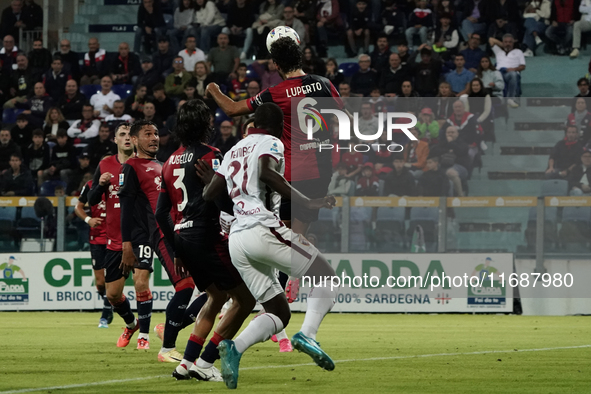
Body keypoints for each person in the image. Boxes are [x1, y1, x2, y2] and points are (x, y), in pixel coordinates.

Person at [196, 103, 338, 389]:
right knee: (326, 276)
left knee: (278, 310)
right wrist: (307, 201)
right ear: (279, 126)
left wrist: (216, 181)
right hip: (261, 228)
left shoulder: (234, 149)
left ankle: (234, 348)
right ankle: (308, 334)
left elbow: (210, 193)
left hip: (237, 239)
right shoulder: (270, 141)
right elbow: (266, 172)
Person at [154, 100, 256, 379]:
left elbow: (161, 212)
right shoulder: (211, 155)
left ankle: (185, 363)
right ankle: (206, 362)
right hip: (206, 235)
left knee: (216, 296)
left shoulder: (170, 161)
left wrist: (175, 249)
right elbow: (223, 201)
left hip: (181, 236)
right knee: (245, 300)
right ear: (205, 124)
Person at [205, 37, 343, 237]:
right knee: (299, 237)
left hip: (290, 174)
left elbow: (232, 109)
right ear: (300, 59)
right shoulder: (325, 84)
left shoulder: (275, 93)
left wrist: (213, 89)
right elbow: (344, 118)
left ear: (277, 65)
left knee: (282, 237)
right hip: (320, 173)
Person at [119, 119, 207, 362]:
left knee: (212, 289)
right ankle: (167, 349)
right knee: (186, 286)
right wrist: (127, 245)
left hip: (182, 231)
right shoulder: (131, 167)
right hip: (161, 234)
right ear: (135, 140)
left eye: (156, 133)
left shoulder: (162, 164)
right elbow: (125, 208)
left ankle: (168, 331)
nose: (154, 138)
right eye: (148, 134)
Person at [87, 124, 144, 349]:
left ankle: (145, 339)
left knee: (141, 283)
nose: (127, 138)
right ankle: (131, 324)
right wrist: (101, 185)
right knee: (112, 295)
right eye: (122, 135)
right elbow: (91, 200)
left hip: (140, 237)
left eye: (130, 135)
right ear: (115, 140)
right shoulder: (105, 165)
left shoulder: (144, 164)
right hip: (114, 241)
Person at [74, 178, 113, 328]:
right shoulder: (90, 185)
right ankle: (109, 305)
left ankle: (105, 312)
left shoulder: (121, 182)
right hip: (96, 239)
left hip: (115, 238)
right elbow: (78, 207)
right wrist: (88, 219)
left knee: (111, 278)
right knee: (100, 283)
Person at [430, 125, 471, 196]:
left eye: (452, 132)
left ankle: (461, 195)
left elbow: (461, 151)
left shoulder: (463, 143)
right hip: (443, 166)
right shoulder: (442, 143)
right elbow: (434, 151)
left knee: (451, 172)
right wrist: (447, 149)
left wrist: (451, 143)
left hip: (460, 167)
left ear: (457, 134)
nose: (450, 134)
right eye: (448, 132)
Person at [489, 34, 526, 108]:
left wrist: (514, 69)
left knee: (513, 74)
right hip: (499, 73)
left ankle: (510, 99)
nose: (508, 44)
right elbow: (491, 40)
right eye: (506, 42)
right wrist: (504, 46)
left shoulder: (518, 52)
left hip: (510, 73)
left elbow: (523, 66)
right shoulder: (498, 51)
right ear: (503, 43)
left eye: (510, 42)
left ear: (513, 43)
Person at [463, 78, 494, 143]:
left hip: (484, 119)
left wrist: (478, 120)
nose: (475, 87)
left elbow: (487, 111)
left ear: (480, 86)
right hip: (472, 118)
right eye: (473, 85)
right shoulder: (469, 97)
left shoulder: (486, 95)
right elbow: (467, 111)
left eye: (477, 85)